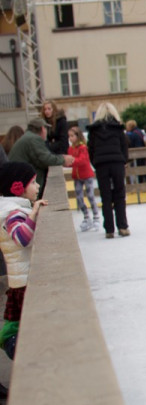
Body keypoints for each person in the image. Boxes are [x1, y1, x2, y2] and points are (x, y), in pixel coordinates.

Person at [0, 161, 48, 362]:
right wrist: (34, 213)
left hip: (22, 278)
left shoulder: (13, 209)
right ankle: (15, 348)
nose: (37, 187)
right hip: (23, 282)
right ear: (18, 188)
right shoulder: (11, 213)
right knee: (23, 327)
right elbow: (21, 238)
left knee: (21, 324)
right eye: (33, 182)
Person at [86, 102, 130, 238]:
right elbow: (124, 146)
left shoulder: (94, 131)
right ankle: (122, 226)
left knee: (106, 196)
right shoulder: (118, 128)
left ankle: (109, 229)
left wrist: (96, 163)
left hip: (101, 165)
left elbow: (91, 150)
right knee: (119, 194)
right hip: (116, 162)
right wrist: (123, 160)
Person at [8, 118, 74, 197]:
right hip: (23, 187)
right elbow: (46, 159)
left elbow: (41, 158)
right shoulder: (34, 139)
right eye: (46, 128)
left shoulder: (28, 137)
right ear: (43, 129)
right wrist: (63, 159)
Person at [67, 126, 100, 231]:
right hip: (77, 176)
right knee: (79, 198)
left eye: (72, 136)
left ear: (78, 136)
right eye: (69, 136)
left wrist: (72, 160)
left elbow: (83, 160)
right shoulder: (71, 149)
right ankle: (86, 217)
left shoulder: (83, 148)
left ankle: (96, 217)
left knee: (90, 196)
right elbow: (70, 162)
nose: (70, 138)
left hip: (86, 175)